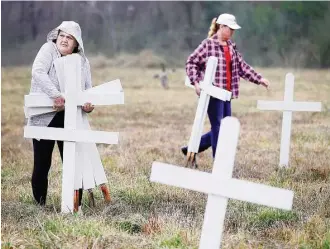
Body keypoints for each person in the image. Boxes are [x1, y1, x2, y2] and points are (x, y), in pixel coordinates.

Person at [182, 13, 270, 165]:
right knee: (218, 126)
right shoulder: (208, 44)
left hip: (227, 94)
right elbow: (191, 62)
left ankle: (191, 148)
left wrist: (259, 79)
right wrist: (196, 82)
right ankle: (219, 162)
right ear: (221, 27)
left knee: (225, 127)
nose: (232, 32)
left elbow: (242, 67)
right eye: (230, 29)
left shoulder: (231, 46)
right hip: (213, 93)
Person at [28, 21, 94, 207]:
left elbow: (88, 89)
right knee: (42, 162)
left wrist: (88, 104)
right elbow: (38, 72)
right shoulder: (48, 49)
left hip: (71, 117)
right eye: (62, 35)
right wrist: (56, 95)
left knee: (73, 162)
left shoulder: (82, 61)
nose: (64, 40)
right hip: (44, 116)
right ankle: (40, 204)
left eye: (69, 37)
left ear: (76, 43)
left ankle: (74, 205)